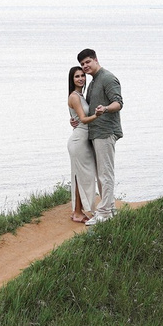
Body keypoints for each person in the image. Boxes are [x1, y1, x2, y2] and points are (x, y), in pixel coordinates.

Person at [78, 47, 123, 217]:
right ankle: (110, 209)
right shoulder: (93, 82)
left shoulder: (108, 78)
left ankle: (103, 213)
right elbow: (89, 110)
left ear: (96, 59)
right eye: (82, 64)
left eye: (88, 62)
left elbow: (118, 103)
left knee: (105, 174)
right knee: (100, 175)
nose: (85, 66)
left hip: (106, 132)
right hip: (95, 133)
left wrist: (105, 108)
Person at [65, 65, 101, 223]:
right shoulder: (74, 96)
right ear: (72, 80)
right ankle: (78, 212)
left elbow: (77, 118)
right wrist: (98, 114)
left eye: (82, 76)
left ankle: (77, 211)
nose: (80, 78)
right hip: (79, 140)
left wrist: (75, 121)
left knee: (81, 176)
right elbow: (84, 119)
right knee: (82, 176)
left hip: (82, 138)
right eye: (77, 76)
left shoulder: (80, 96)